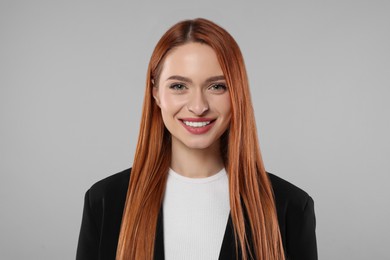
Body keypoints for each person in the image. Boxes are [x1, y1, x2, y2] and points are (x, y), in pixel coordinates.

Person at [76, 18, 317, 260]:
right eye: (179, 86)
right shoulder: (105, 202)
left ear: (237, 93)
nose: (199, 106)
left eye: (217, 87)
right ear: (156, 93)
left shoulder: (289, 207)